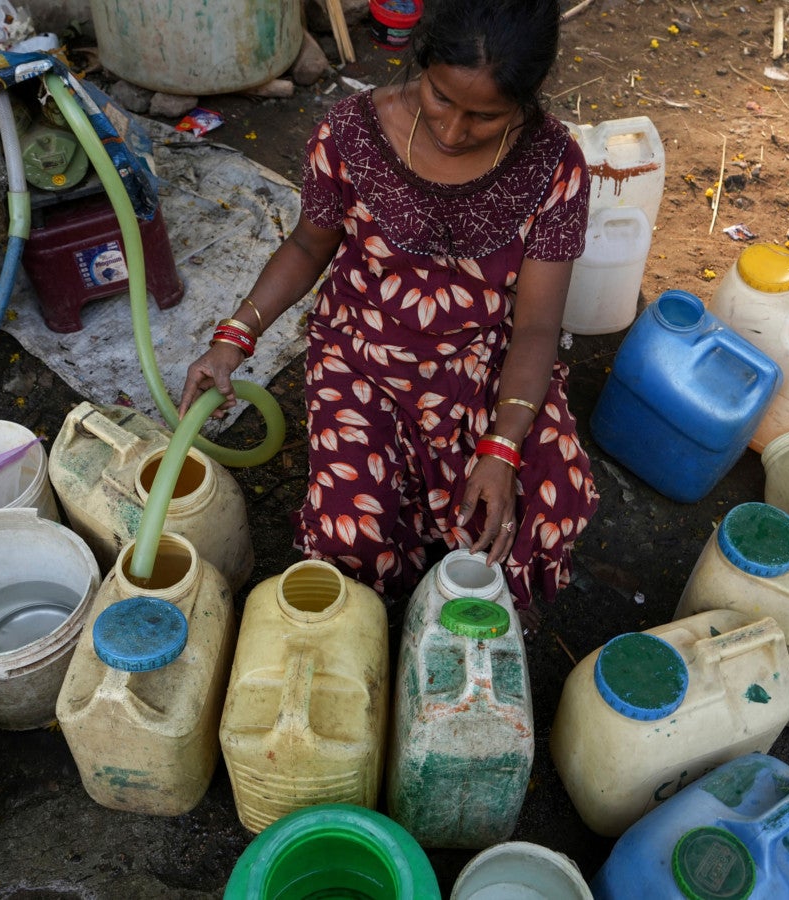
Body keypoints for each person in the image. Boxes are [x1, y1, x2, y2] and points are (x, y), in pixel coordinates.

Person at [179, 0, 599, 615]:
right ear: (421, 59)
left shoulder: (554, 166)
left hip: (485, 362)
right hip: (362, 354)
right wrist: (233, 337)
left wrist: (502, 447)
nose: (453, 132)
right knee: (355, 540)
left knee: (542, 510)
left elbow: (536, 327)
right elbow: (306, 244)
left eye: (485, 116)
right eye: (440, 98)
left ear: (527, 99)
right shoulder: (349, 133)